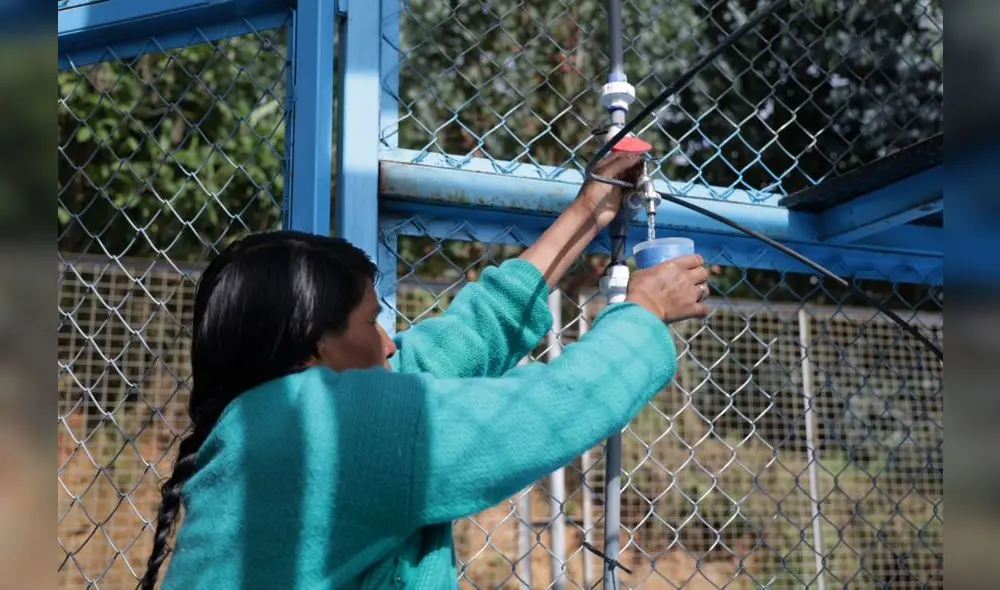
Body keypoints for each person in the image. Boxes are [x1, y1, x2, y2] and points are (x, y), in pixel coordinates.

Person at [140, 152, 710, 589]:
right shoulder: (335, 430)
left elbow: (463, 339)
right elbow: (544, 410)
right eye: (372, 321)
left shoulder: (268, 421)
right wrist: (644, 313)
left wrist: (590, 210)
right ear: (315, 348)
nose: (391, 343)